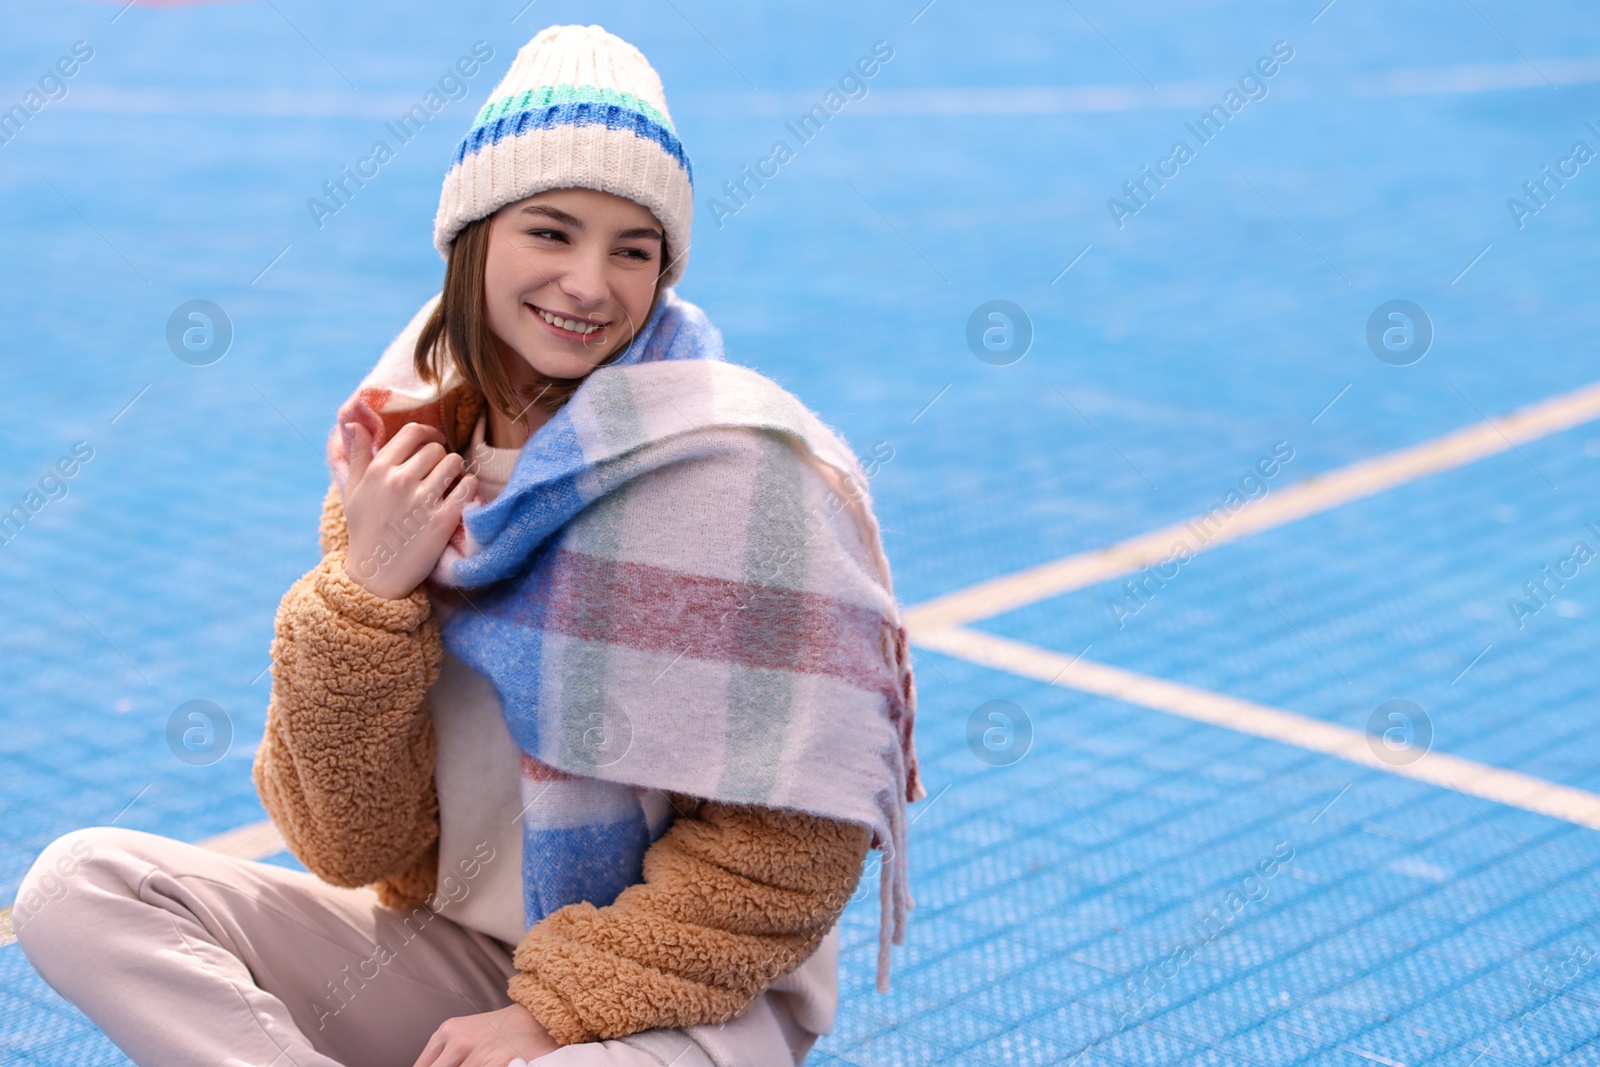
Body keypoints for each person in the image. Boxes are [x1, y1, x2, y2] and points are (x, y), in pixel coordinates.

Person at [13, 23, 922, 1067]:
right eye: (551, 230)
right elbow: (346, 843)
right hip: (457, 957)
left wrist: (549, 1013)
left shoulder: (741, 475)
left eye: (633, 249)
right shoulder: (401, 467)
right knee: (84, 886)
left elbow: (785, 858)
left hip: (679, 999)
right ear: (473, 237)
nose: (589, 282)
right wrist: (366, 592)